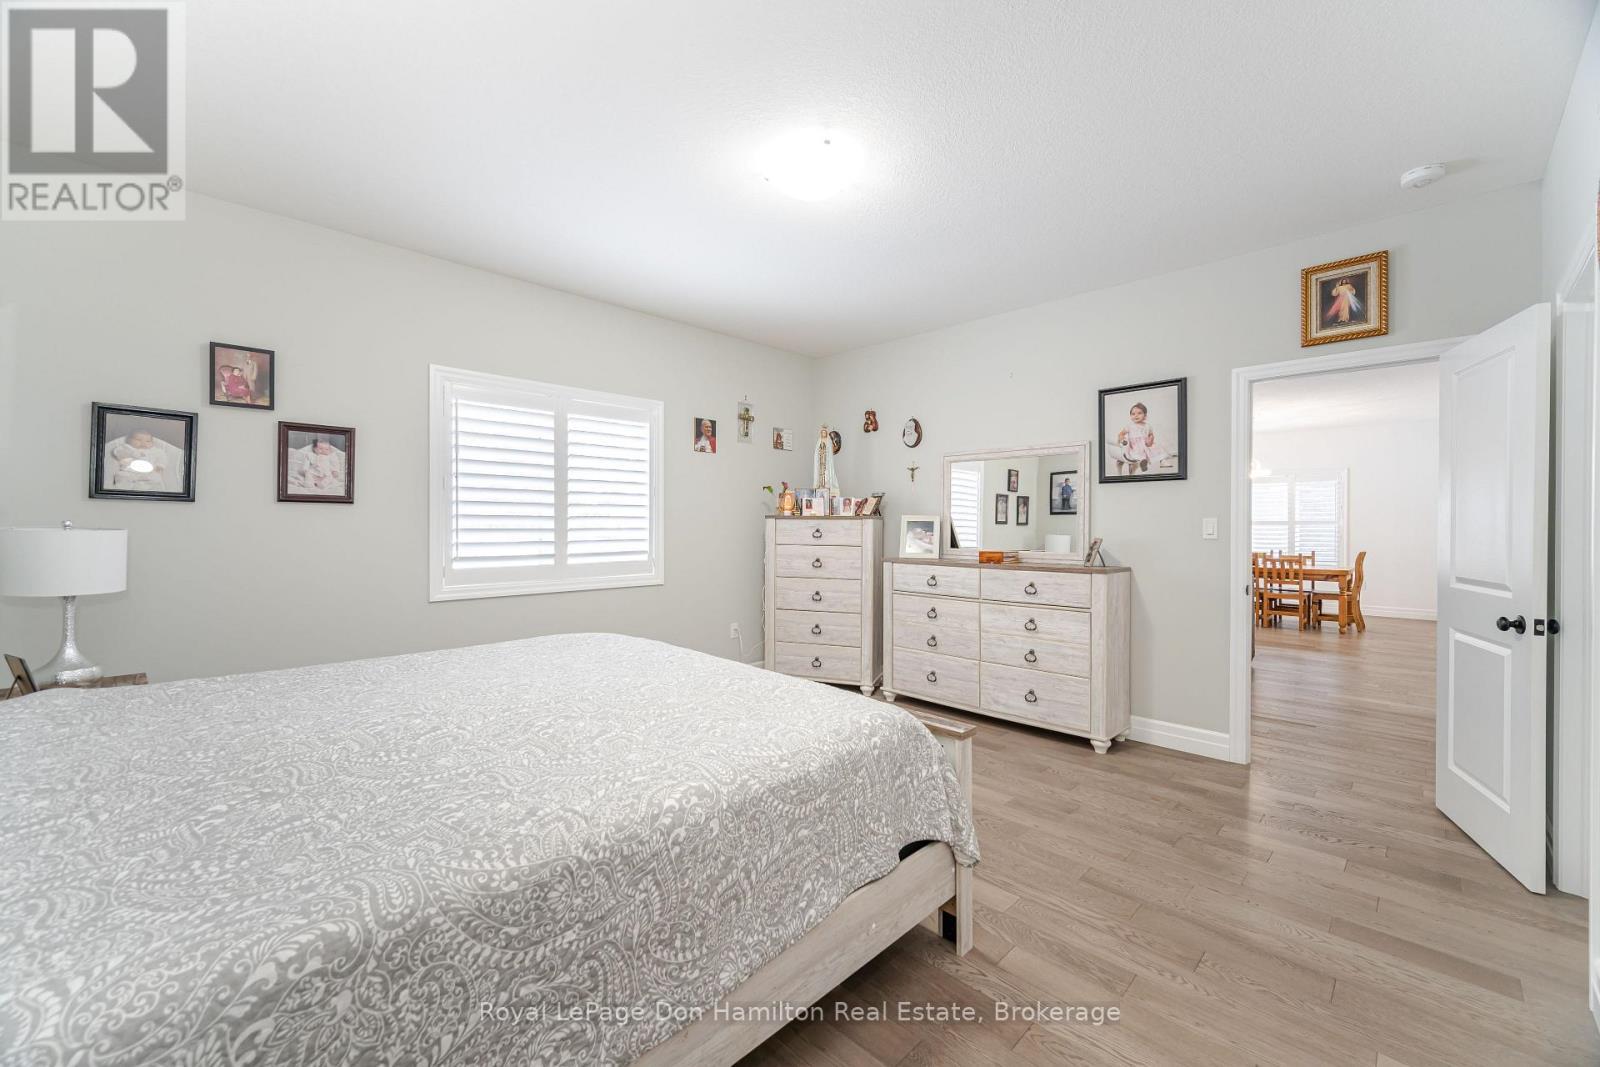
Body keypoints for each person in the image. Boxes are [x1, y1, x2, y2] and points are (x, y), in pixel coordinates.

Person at [1114, 402, 1169, 475]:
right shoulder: (1129, 426)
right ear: (1130, 416)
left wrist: (1151, 439)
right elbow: (1121, 433)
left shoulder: (1148, 426)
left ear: (1145, 415)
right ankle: (1143, 464)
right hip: (1134, 446)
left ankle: (1162, 461)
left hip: (1146, 444)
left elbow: (1151, 434)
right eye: (1133, 414)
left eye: (1139, 413)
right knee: (1139, 453)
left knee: (1157, 447)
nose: (1136, 415)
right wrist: (1122, 438)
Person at [108, 430, 173, 491]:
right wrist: (131, 453)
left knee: (156, 478)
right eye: (138, 440)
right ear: (129, 440)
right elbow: (117, 452)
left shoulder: (155, 451)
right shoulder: (127, 447)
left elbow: (162, 456)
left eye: (148, 441)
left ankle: (145, 488)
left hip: (148, 473)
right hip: (129, 471)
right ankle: (123, 490)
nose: (143, 443)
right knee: (121, 475)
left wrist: (160, 465)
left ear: (153, 443)